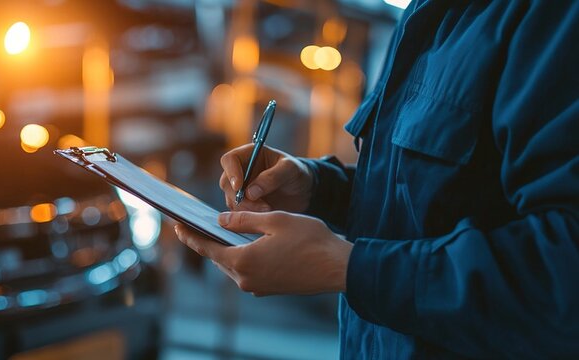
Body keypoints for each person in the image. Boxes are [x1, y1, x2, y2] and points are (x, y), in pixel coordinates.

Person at [173, 0, 579, 358]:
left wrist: (350, 268)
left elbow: (563, 274)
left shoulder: (555, 19)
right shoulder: (428, 12)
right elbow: (437, 201)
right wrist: (318, 187)